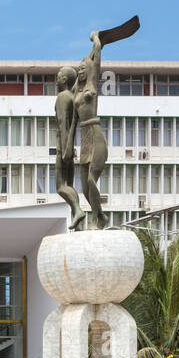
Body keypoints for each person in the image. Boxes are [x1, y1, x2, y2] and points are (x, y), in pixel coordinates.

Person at [74, 30, 109, 229]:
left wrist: (96, 40)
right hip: (84, 139)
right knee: (85, 187)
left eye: (83, 68)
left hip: (96, 135)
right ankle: (101, 216)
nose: (80, 71)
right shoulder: (77, 91)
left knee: (91, 180)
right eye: (78, 68)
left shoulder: (91, 85)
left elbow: (95, 58)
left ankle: (97, 220)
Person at [54, 66, 84, 230]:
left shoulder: (62, 97)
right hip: (70, 147)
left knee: (60, 186)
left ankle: (78, 209)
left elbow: (62, 123)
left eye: (58, 77)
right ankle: (77, 221)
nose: (56, 80)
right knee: (70, 186)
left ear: (64, 80)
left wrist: (65, 148)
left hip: (63, 146)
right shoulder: (72, 97)